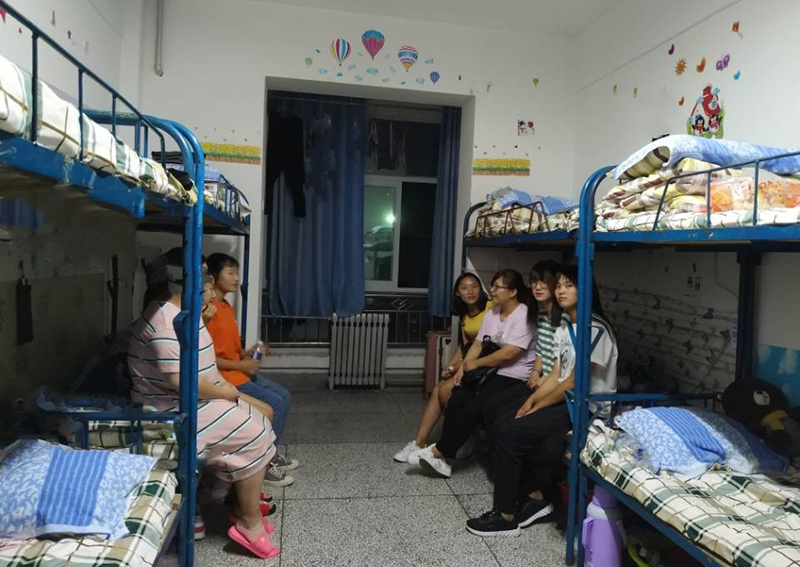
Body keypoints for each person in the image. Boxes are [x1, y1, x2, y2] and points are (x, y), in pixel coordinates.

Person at [130, 251, 280, 559]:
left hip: (198, 398)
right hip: (172, 411)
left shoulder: (184, 312)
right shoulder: (164, 321)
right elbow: (179, 380)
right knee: (255, 432)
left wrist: (228, 391)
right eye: (203, 279)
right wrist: (225, 393)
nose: (208, 285)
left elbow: (205, 366)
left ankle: (238, 503)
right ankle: (248, 524)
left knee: (263, 417)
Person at [466, 265, 618, 537]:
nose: (560, 291)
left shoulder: (596, 329)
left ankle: (505, 516)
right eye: (558, 285)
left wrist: (538, 406)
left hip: (587, 409)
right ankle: (534, 496)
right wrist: (531, 401)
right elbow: (556, 376)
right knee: (503, 420)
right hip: (566, 401)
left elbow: (575, 383)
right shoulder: (567, 328)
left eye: (569, 285)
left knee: (512, 431)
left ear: (585, 290)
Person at [409, 269, 538, 478]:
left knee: (477, 403)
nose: (492, 290)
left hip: (514, 375)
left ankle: (438, 451)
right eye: (492, 286)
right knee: (457, 394)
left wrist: (475, 364)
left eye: (497, 287)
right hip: (492, 371)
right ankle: (448, 454)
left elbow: (509, 353)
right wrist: (462, 369)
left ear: (513, 292)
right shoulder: (493, 313)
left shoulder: (523, 314)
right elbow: (478, 344)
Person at [205, 252, 298, 488]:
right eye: (230, 273)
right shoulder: (209, 312)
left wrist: (250, 353)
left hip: (239, 372)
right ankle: (262, 464)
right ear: (213, 277)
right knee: (275, 403)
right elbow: (208, 359)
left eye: (237, 272)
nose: (237, 278)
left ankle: (270, 453)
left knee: (284, 395)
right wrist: (241, 365)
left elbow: (230, 351)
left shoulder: (226, 307)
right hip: (226, 377)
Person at [394, 272, 492, 463]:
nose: (470, 291)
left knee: (446, 391)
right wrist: (451, 365)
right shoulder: (465, 315)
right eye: (465, 288)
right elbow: (465, 346)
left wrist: (460, 366)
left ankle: (462, 435)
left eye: (474, 286)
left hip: (485, 363)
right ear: (457, 293)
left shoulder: (490, 309)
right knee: (438, 388)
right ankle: (419, 443)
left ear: (481, 289)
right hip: (470, 362)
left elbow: (486, 345)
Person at [482, 260, 563, 433]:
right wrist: (535, 372)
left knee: (504, 416)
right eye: (534, 282)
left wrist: (544, 379)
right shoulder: (540, 315)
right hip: (539, 380)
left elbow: (563, 366)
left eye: (544, 282)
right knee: (491, 405)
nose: (537, 287)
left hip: (554, 383)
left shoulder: (564, 320)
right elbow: (541, 350)